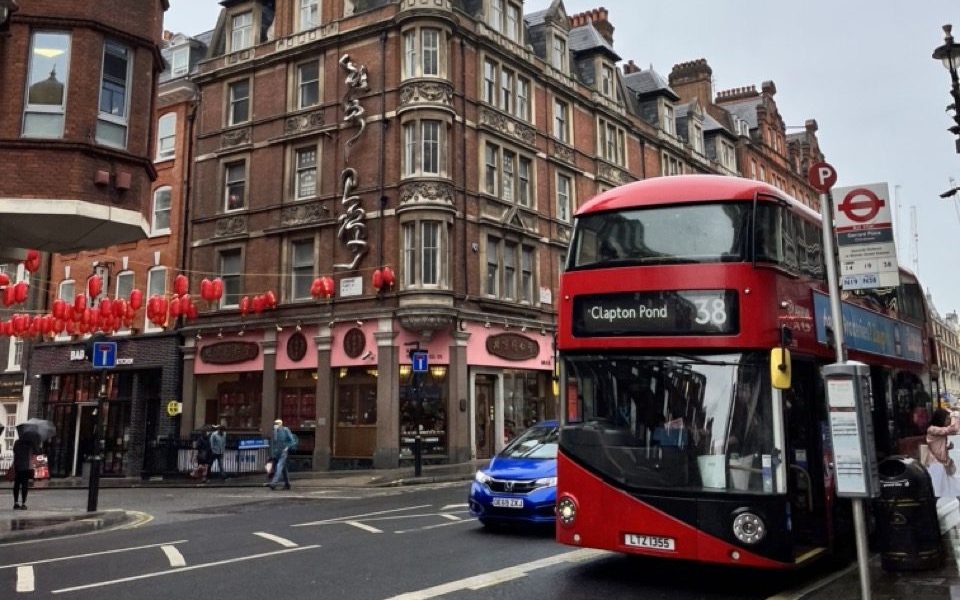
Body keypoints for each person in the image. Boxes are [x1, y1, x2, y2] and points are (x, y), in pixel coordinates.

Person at [924, 407, 960, 497]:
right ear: (940, 418)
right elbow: (953, 429)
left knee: (954, 488)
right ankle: (930, 509)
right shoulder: (932, 429)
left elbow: (936, 445)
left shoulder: (936, 429)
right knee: (936, 491)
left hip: (942, 463)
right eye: (947, 418)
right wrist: (955, 415)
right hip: (935, 464)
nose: (949, 421)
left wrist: (947, 447)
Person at [12, 426, 36, 510]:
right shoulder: (29, 443)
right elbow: (36, 452)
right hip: (26, 467)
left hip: (18, 466)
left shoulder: (17, 443)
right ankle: (23, 503)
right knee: (24, 485)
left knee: (17, 485)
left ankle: (15, 502)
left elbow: (14, 451)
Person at [268, 419, 296, 490]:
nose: (275, 425)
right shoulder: (274, 432)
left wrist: (287, 447)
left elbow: (292, 441)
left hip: (283, 452)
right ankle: (287, 484)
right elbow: (272, 443)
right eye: (275, 424)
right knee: (283, 468)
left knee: (279, 466)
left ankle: (274, 483)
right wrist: (272, 454)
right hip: (276, 452)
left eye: (277, 424)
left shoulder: (285, 430)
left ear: (281, 424)